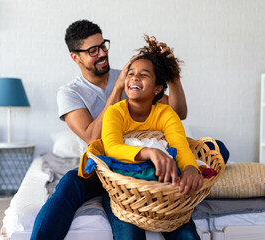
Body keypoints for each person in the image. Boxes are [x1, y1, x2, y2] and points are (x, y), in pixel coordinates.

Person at [31, 19, 226, 240]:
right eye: (93, 50)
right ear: (75, 57)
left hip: (143, 169)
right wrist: (117, 88)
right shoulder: (72, 92)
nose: (102, 53)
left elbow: (177, 112)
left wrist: (172, 75)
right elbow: (93, 135)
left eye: (103, 46)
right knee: (69, 183)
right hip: (102, 167)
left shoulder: (134, 78)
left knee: (216, 149)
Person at [85, 35, 202, 240]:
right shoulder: (115, 112)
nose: (135, 77)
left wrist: (191, 168)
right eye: (130, 74)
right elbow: (110, 146)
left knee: (187, 234)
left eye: (144, 74)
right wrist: (149, 152)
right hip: (122, 186)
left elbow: (180, 143)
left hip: (163, 192)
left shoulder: (165, 112)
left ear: (157, 88)